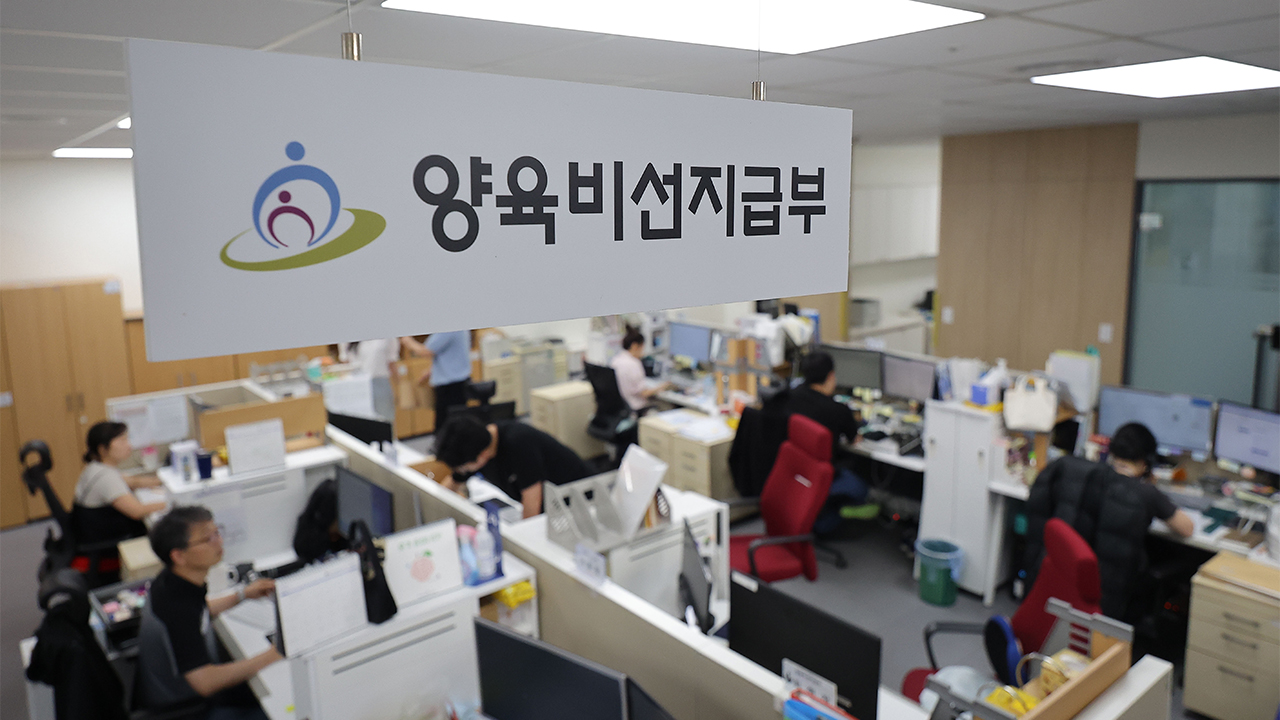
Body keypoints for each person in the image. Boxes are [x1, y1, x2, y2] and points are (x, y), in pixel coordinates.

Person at [138, 505, 279, 719]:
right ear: (179, 556)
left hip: (189, 695)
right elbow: (205, 682)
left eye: (217, 532)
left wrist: (242, 595)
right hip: (188, 709)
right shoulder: (176, 608)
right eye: (207, 539)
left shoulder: (172, 582)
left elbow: (199, 612)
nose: (219, 541)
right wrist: (274, 654)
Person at [433, 415, 591, 518]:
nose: (462, 471)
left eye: (463, 467)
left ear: (482, 457)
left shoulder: (519, 443)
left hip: (583, 503)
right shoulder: (476, 443)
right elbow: (451, 484)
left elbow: (532, 504)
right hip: (552, 508)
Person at [783, 352, 873, 532]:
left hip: (793, 472)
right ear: (831, 376)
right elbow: (855, 439)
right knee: (861, 487)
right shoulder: (838, 410)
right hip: (820, 476)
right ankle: (831, 514)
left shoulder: (790, 396)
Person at [73, 422, 166, 545]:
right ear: (103, 449)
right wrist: (172, 503)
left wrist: (159, 481)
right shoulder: (106, 477)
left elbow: (132, 481)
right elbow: (137, 511)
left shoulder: (95, 467)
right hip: (106, 540)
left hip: (92, 533)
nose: (129, 445)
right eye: (122, 441)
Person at [402, 330, 472, 430]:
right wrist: (431, 372)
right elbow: (450, 354)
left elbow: (426, 351)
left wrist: (408, 341)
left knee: (446, 425)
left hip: (450, 386)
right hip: (458, 381)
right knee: (456, 422)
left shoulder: (447, 330)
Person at [610, 327, 669, 413]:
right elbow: (644, 393)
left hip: (621, 407)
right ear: (635, 346)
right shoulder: (634, 364)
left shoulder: (615, 360)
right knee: (666, 406)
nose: (643, 351)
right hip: (635, 407)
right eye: (642, 347)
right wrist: (662, 387)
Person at [348, 338, 401, 424]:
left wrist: (399, 388)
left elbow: (392, 364)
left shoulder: (388, 338)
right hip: (357, 385)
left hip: (380, 383)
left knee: (384, 419)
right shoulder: (352, 338)